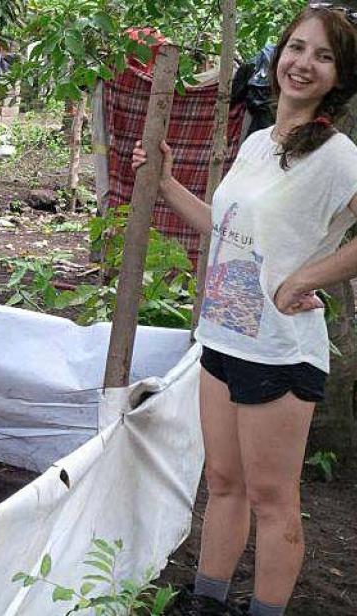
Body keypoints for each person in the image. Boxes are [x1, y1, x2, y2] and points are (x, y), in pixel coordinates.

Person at [133, 6, 357, 616]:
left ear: (339, 76)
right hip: (225, 339)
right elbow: (229, 231)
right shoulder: (260, 141)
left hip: (281, 351)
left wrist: (307, 276)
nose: (304, 64)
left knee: (272, 498)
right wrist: (166, 184)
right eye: (297, 48)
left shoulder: (338, 156)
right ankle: (207, 602)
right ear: (278, 55)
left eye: (324, 56)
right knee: (225, 484)